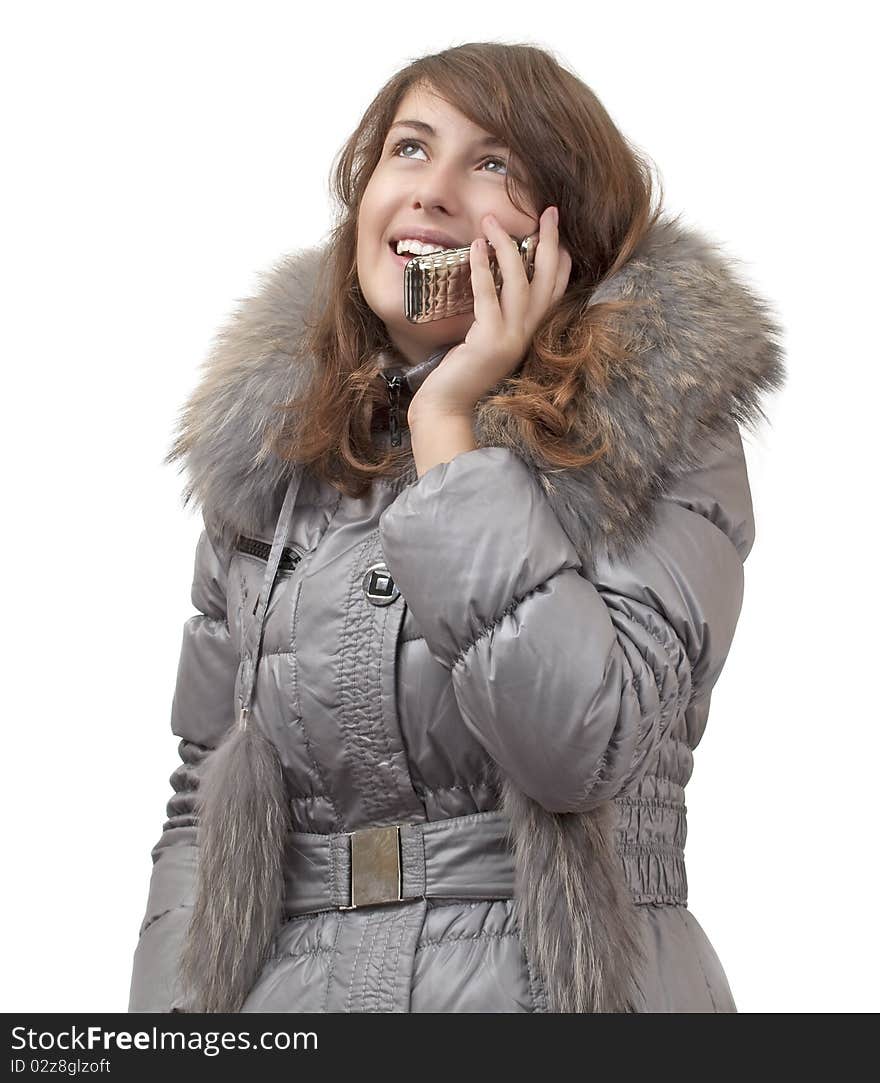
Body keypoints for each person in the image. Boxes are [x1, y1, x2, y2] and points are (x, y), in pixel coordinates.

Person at [127, 42, 786, 1014]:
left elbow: (575, 746)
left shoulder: (649, 433)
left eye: (492, 165)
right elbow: (201, 805)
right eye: (408, 148)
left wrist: (448, 429)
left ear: (566, 234)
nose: (431, 193)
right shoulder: (272, 457)